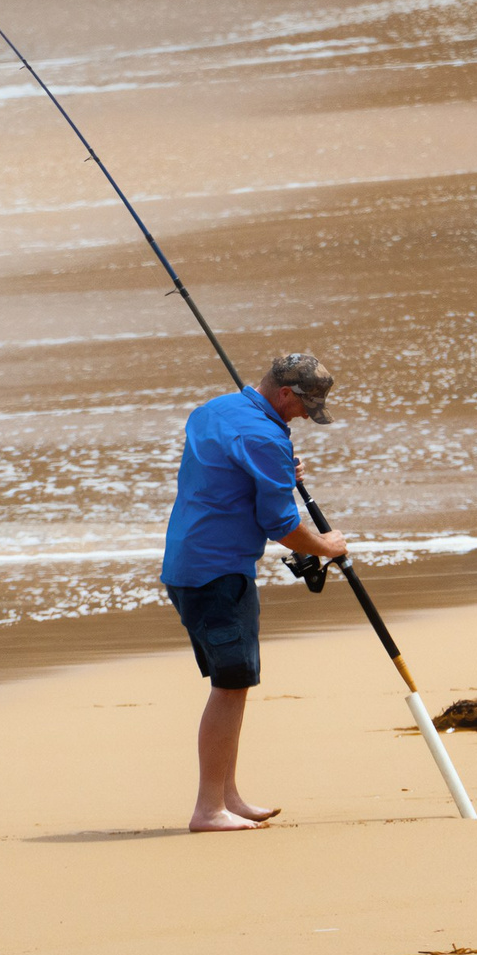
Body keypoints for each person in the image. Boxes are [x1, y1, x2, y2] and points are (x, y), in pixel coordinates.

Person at [162, 352, 347, 832]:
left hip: (188, 562)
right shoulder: (263, 436)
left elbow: (230, 466)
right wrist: (326, 545)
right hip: (217, 572)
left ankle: (229, 796)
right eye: (305, 405)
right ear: (284, 393)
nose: (306, 415)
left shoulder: (214, 411)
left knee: (234, 683)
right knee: (231, 685)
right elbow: (281, 524)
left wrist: (279, 469)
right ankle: (207, 810)